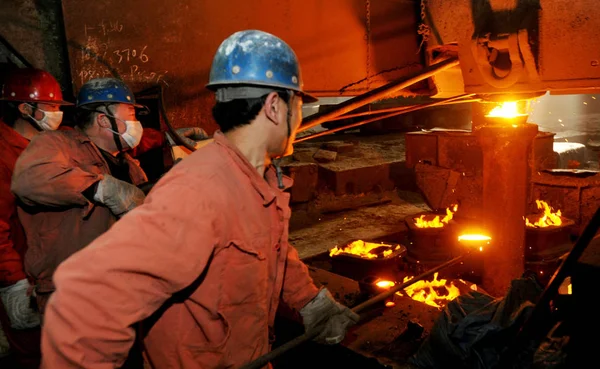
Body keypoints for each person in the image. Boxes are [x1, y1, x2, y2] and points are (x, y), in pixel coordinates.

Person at [39, 29, 359, 368]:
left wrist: (309, 300)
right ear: (275, 107)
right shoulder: (198, 191)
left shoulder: (259, 180)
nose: (299, 120)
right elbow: (85, 308)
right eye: (298, 105)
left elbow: (270, 248)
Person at [10, 77, 149, 319]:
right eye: (130, 114)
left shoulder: (129, 165)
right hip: (74, 295)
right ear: (104, 120)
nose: (135, 123)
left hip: (122, 288)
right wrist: (99, 188)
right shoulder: (57, 144)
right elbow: (29, 180)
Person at [0, 67, 72, 368]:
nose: (58, 114)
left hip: (55, 267)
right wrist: (13, 282)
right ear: (25, 108)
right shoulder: (4, 155)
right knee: (36, 351)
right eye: (51, 107)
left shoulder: (54, 140)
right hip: (26, 274)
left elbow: (98, 137)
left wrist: (165, 137)